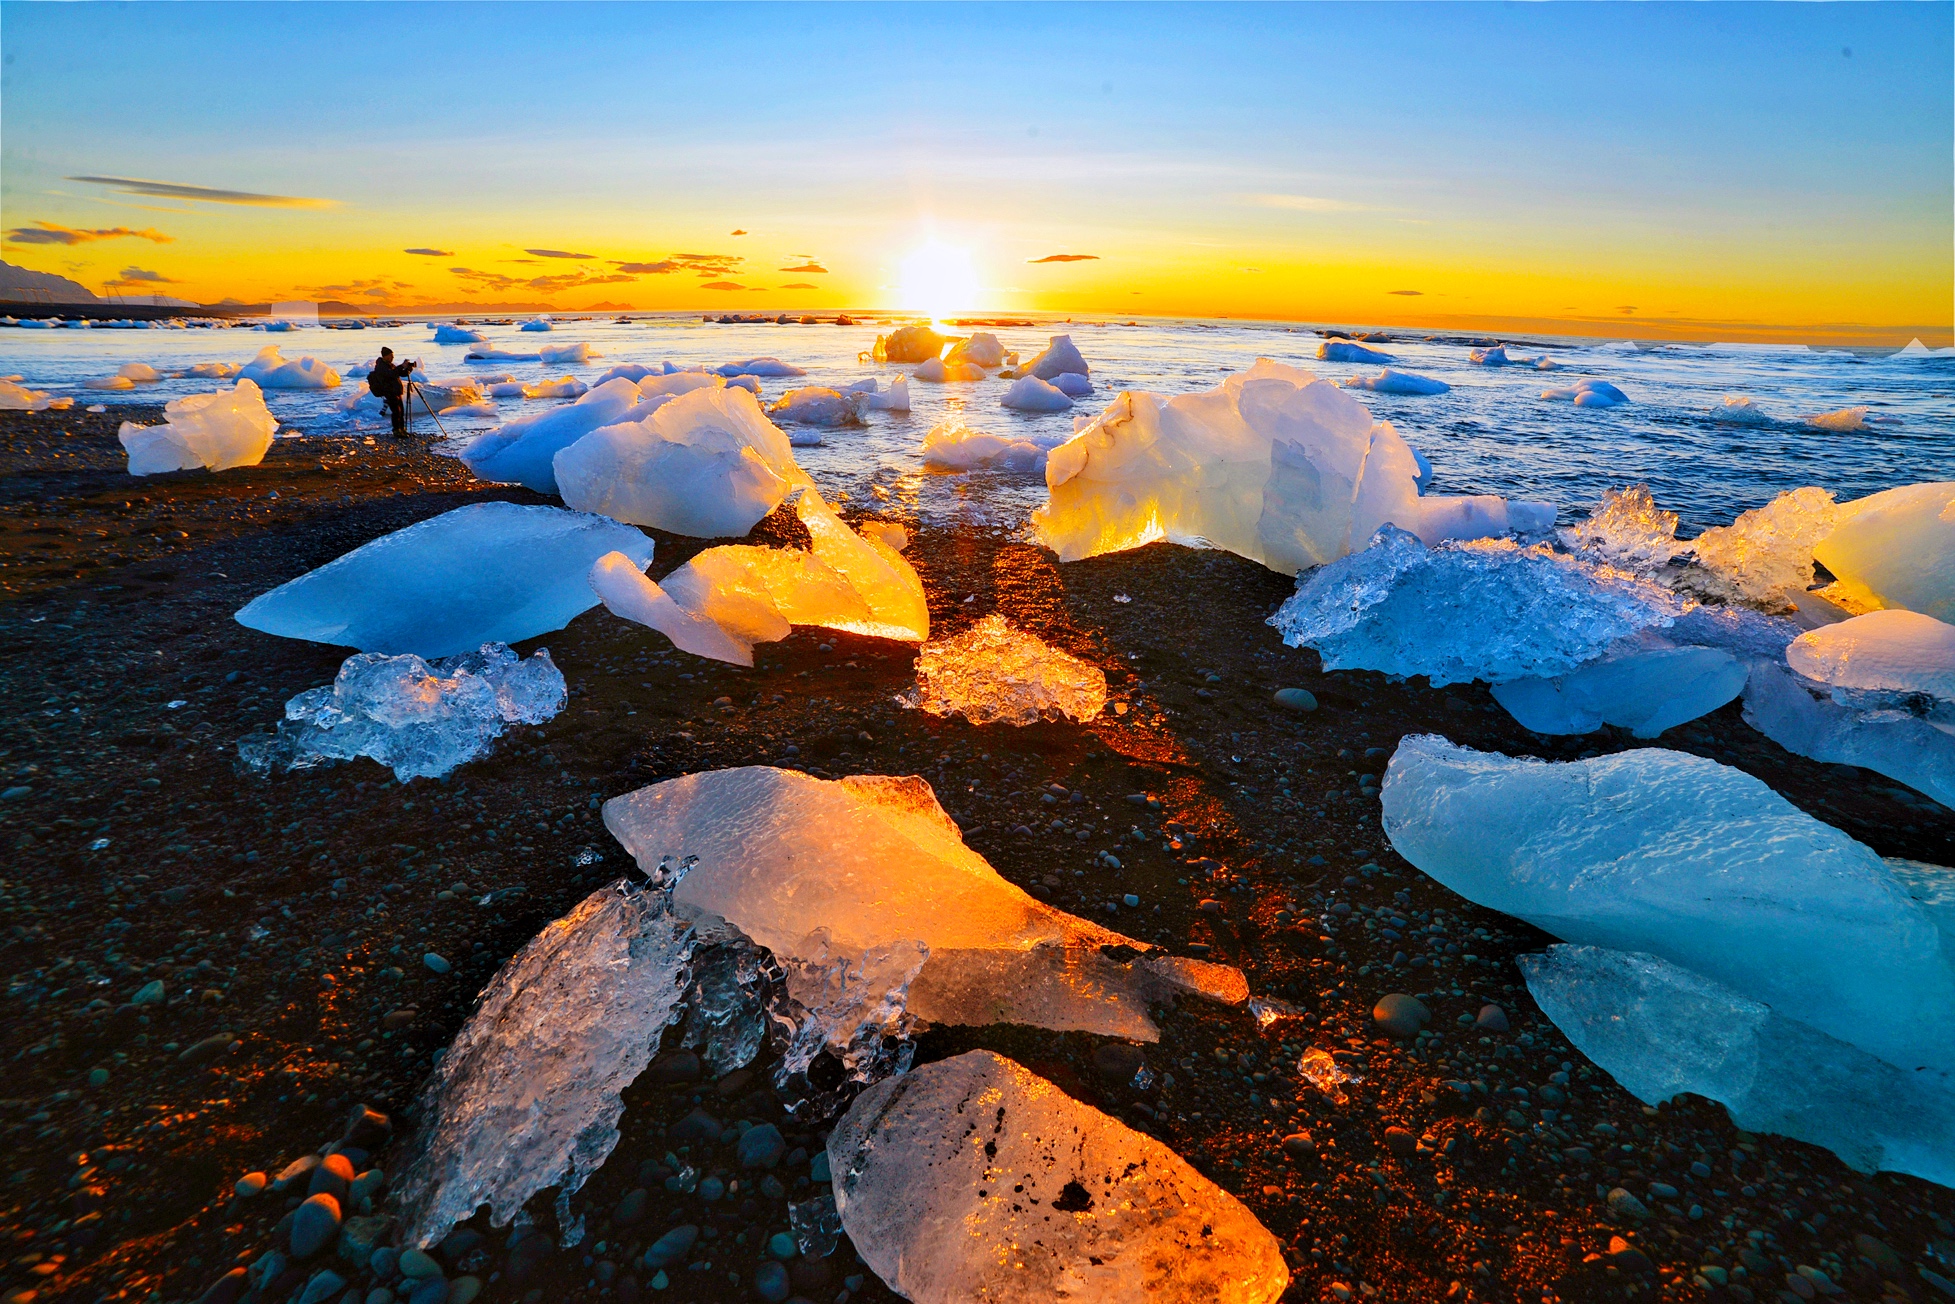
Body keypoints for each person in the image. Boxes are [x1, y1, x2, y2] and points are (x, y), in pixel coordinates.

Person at [366, 347, 418, 437]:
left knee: (401, 411)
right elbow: (391, 374)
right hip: (389, 391)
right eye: (391, 356)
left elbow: (401, 373)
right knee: (396, 411)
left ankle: (402, 429)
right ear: (385, 356)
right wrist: (401, 366)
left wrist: (408, 368)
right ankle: (396, 430)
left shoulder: (390, 365)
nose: (392, 358)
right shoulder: (381, 366)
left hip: (396, 391)